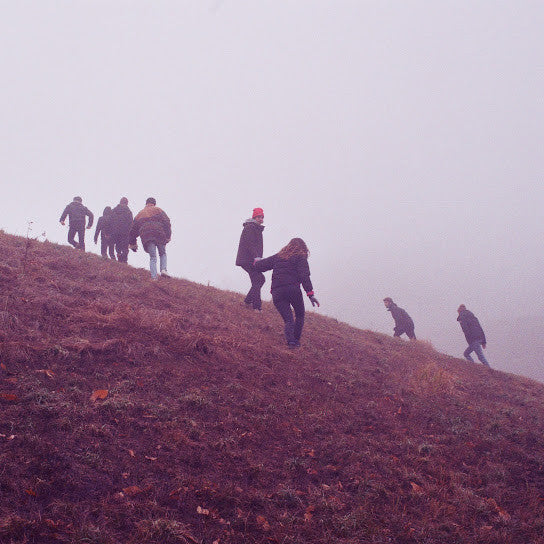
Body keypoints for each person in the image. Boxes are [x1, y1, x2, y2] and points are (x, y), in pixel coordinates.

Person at [254, 238, 319, 348]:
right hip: (292, 289)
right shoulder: (301, 257)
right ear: (303, 248)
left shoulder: (279, 256)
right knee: (300, 315)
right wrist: (310, 294)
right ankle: (296, 341)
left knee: (288, 319)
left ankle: (291, 342)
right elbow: (304, 276)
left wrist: (256, 262)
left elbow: (262, 265)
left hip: (277, 291)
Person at [129, 197, 171, 280]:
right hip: (159, 234)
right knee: (162, 253)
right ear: (154, 203)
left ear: (146, 203)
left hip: (147, 236)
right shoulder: (159, 210)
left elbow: (133, 231)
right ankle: (163, 269)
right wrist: (168, 236)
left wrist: (133, 244)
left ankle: (154, 277)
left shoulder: (139, 214)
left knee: (153, 257)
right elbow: (167, 222)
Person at [236, 207, 266, 311]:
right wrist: (256, 257)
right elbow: (250, 244)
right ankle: (257, 307)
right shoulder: (250, 227)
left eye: (262, 217)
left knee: (261, 279)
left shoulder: (255, 228)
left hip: (251, 259)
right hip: (248, 260)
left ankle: (248, 301)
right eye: (259, 217)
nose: (261, 219)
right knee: (258, 279)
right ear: (254, 217)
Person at [110, 197, 133, 263]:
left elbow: (110, 220)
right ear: (127, 203)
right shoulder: (128, 212)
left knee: (118, 245)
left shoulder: (114, 210)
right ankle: (124, 260)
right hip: (125, 232)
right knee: (125, 247)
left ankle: (119, 255)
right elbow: (131, 223)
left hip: (115, 231)